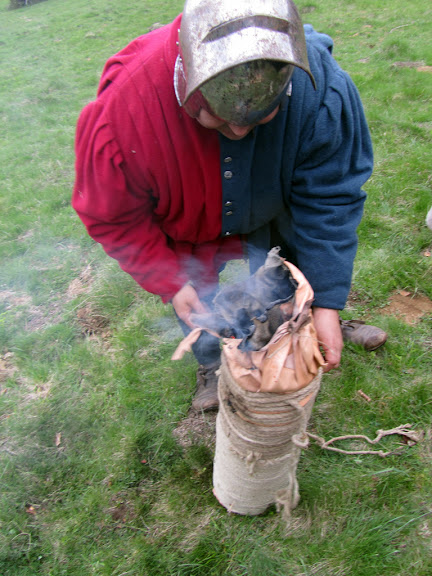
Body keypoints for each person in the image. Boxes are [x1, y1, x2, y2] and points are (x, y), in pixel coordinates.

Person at [72, 0, 387, 411]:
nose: (238, 130)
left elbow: (329, 200)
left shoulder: (319, 90)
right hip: (187, 214)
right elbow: (113, 216)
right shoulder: (127, 108)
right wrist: (171, 281)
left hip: (277, 194)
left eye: (259, 117)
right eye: (218, 118)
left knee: (291, 267)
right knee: (196, 295)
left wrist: (325, 299)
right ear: (186, 80)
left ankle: (305, 326)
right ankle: (210, 361)